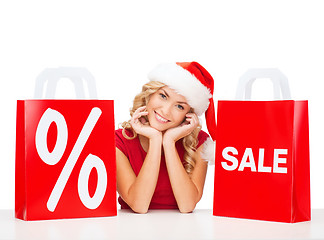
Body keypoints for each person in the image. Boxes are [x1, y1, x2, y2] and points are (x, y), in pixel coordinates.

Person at [115, 62, 216, 213]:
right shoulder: (120, 140)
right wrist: (155, 139)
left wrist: (169, 142)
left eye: (179, 106)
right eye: (163, 96)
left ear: (188, 115)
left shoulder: (199, 142)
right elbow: (139, 205)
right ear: (150, 94)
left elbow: (187, 205)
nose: (166, 111)